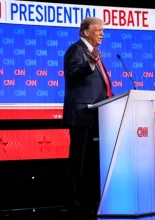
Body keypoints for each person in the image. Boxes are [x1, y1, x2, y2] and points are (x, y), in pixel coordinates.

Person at [62, 17, 113, 217]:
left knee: (91, 163)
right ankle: (74, 206)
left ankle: (88, 202)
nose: (102, 33)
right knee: (79, 163)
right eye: (98, 29)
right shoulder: (76, 50)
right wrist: (89, 64)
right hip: (82, 115)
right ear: (85, 32)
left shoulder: (93, 53)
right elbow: (72, 75)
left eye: (103, 30)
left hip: (96, 116)